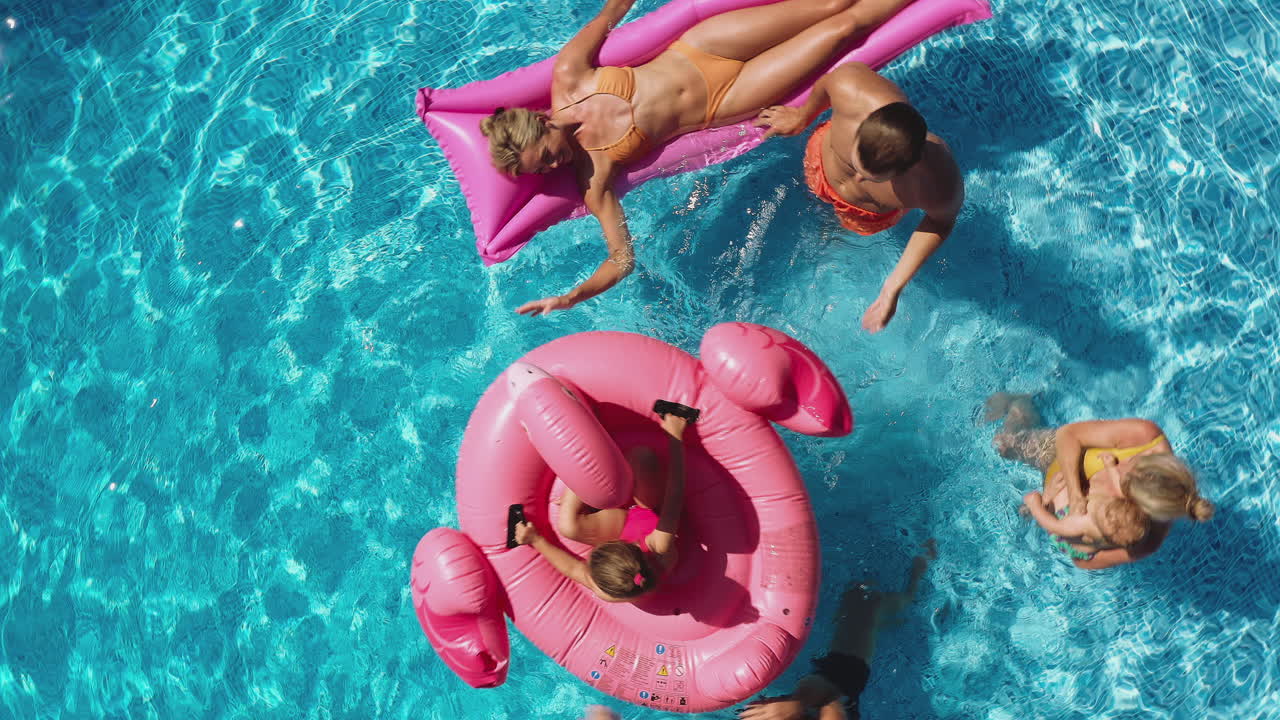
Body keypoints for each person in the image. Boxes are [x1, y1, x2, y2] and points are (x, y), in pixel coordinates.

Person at [479, 0, 920, 316]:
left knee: (830, 5)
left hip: (701, 47)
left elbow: (612, 12)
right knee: (839, 31)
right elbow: (621, 260)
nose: (553, 167)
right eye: (543, 171)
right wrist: (571, 297)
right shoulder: (593, 176)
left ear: (541, 121)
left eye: (546, 157)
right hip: (727, 98)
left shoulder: (569, 73)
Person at [753, 62, 964, 332]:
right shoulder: (852, 88)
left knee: (827, 243)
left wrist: (892, 287)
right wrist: (803, 115)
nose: (859, 179)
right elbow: (828, 83)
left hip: (863, 215)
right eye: (856, 164)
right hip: (818, 164)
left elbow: (941, 222)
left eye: (874, 178)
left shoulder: (936, 182)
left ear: (907, 168)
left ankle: (829, 232)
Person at [987, 392, 1215, 569]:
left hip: (1052, 501)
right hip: (1057, 456)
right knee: (1004, 444)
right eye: (1128, 466)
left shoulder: (1144, 536)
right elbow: (1069, 435)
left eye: (1123, 490)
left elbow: (1082, 559)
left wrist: (1052, 512)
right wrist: (1075, 493)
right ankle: (1020, 404)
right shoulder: (1146, 438)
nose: (1114, 469)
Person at [739, 540, 936, 720]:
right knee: (865, 601)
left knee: (855, 596)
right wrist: (796, 706)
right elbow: (834, 699)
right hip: (843, 679)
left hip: (823, 681)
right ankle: (915, 584)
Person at [513, 407, 692, 602]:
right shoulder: (659, 546)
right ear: (626, 546)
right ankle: (592, 465)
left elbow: (573, 568)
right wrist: (675, 436)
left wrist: (536, 540)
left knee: (568, 527)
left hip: (624, 525)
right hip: (647, 512)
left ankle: (582, 475)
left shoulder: (607, 590)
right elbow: (675, 493)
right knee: (643, 457)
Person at [1022, 457, 1150, 561]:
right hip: (1088, 547)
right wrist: (1110, 467)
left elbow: (1052, 525)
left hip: (1064, 539)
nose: (1104, 507)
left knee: (1062, 487)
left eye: (1104, 511)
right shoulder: (1124, 530)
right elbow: (1120, 491)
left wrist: (1035, 505)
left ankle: (1039, 503)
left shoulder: (1084, 524)